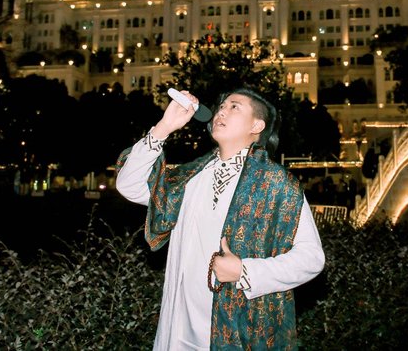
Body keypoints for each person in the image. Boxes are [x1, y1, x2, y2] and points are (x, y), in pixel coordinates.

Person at [116, 87, 325, 350]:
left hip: (236, 333)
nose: (221, 112)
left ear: (257, 126)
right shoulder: (189, 177)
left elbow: (311, 258)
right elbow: (129, 185)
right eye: (221, 106)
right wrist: (164, 127)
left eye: (234, 107)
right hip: (178, 332)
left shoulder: (276, 183)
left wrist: (245, 271)